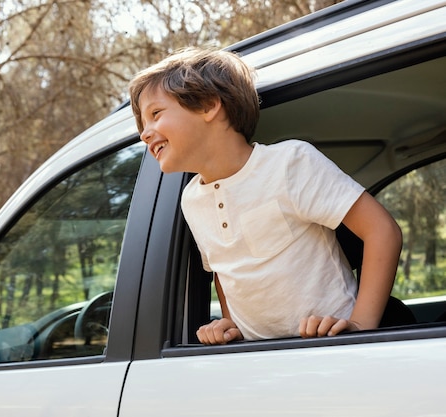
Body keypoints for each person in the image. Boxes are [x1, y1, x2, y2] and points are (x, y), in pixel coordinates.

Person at [128, 47, 402, 343]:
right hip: (262, 363)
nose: (145, 133)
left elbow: (382, 231)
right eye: (143, 124)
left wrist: (360, 325)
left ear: (208, 105)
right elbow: (223, 270)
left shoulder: (288, 163)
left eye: (155, 114)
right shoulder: (191, 200)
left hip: (331, 347)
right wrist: (231, 323)